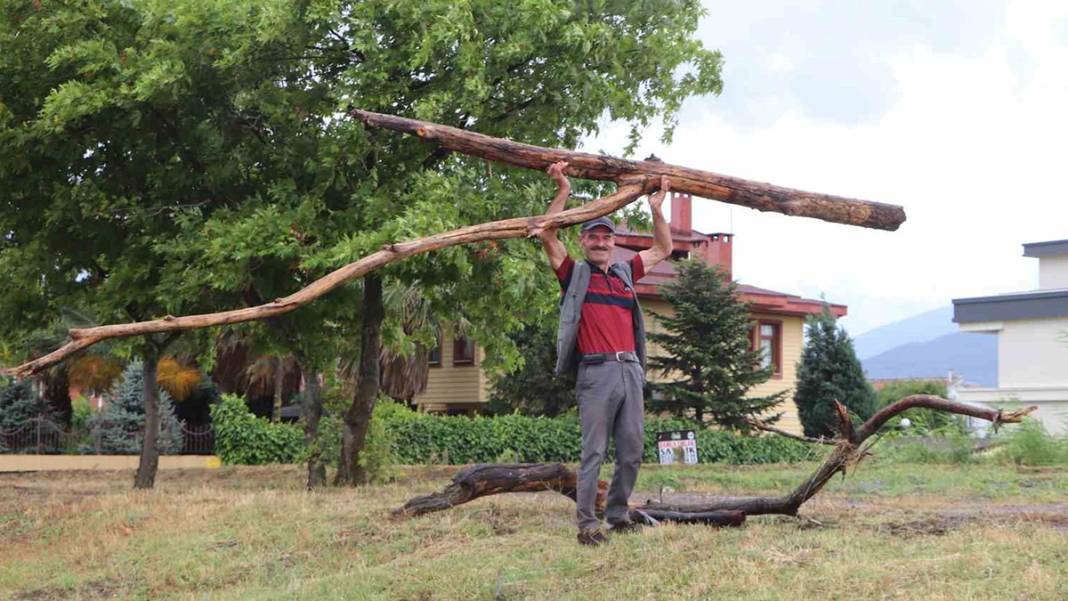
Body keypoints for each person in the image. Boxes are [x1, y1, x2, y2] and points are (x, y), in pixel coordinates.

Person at [538, 160, 673, 545]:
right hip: (596, 374)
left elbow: (664, 248)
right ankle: (587, 525)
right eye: (593, 237)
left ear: (613, 243)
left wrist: (657, 209)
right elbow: (547, 233)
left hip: (630, 370)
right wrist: (563, 190)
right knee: (593, 452)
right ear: (583, 242)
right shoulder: (574, 274)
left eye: (606, 238)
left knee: (631, 449)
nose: (601, 243)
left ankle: (617, 514)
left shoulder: (626, 273)